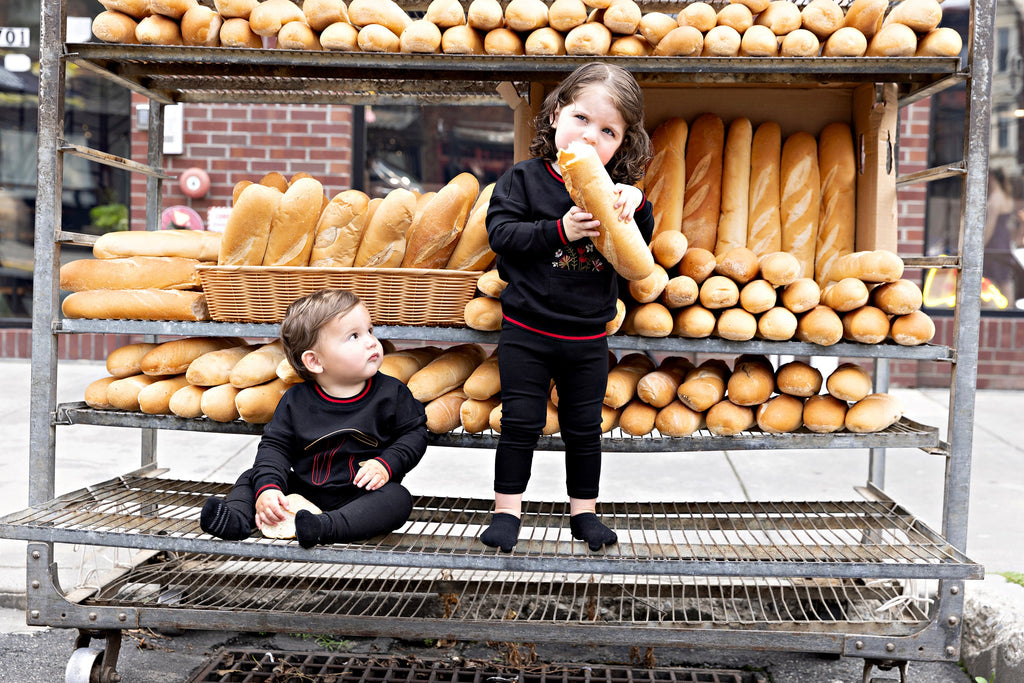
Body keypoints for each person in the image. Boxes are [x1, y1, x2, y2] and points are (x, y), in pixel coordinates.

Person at [480, 63, 655, 553]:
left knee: (584, 428)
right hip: (526, 329)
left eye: (608, 131)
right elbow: (503, 237)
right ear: (555, 115)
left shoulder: (617, 196)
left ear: (622, 143)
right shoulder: (524, 179)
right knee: (520, 422)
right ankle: (507, 511)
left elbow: (639, 250)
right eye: (581, 118)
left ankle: (584, 514)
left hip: (587, 335)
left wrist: (637, 204)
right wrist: (561, 230)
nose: (591, 135)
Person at [199, 289, 428, 548]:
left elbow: (416, 433)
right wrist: (269, 489)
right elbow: (275, 447)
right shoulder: (296, 401)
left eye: (370, 330)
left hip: (361, 496)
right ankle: (237, 518)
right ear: (315, 361)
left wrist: (388, 464)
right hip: (303, 489)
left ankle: (324, 527)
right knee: (253, 476)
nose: (371, 342)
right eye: (354, 336)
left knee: (398, 499)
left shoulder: (392, 393)